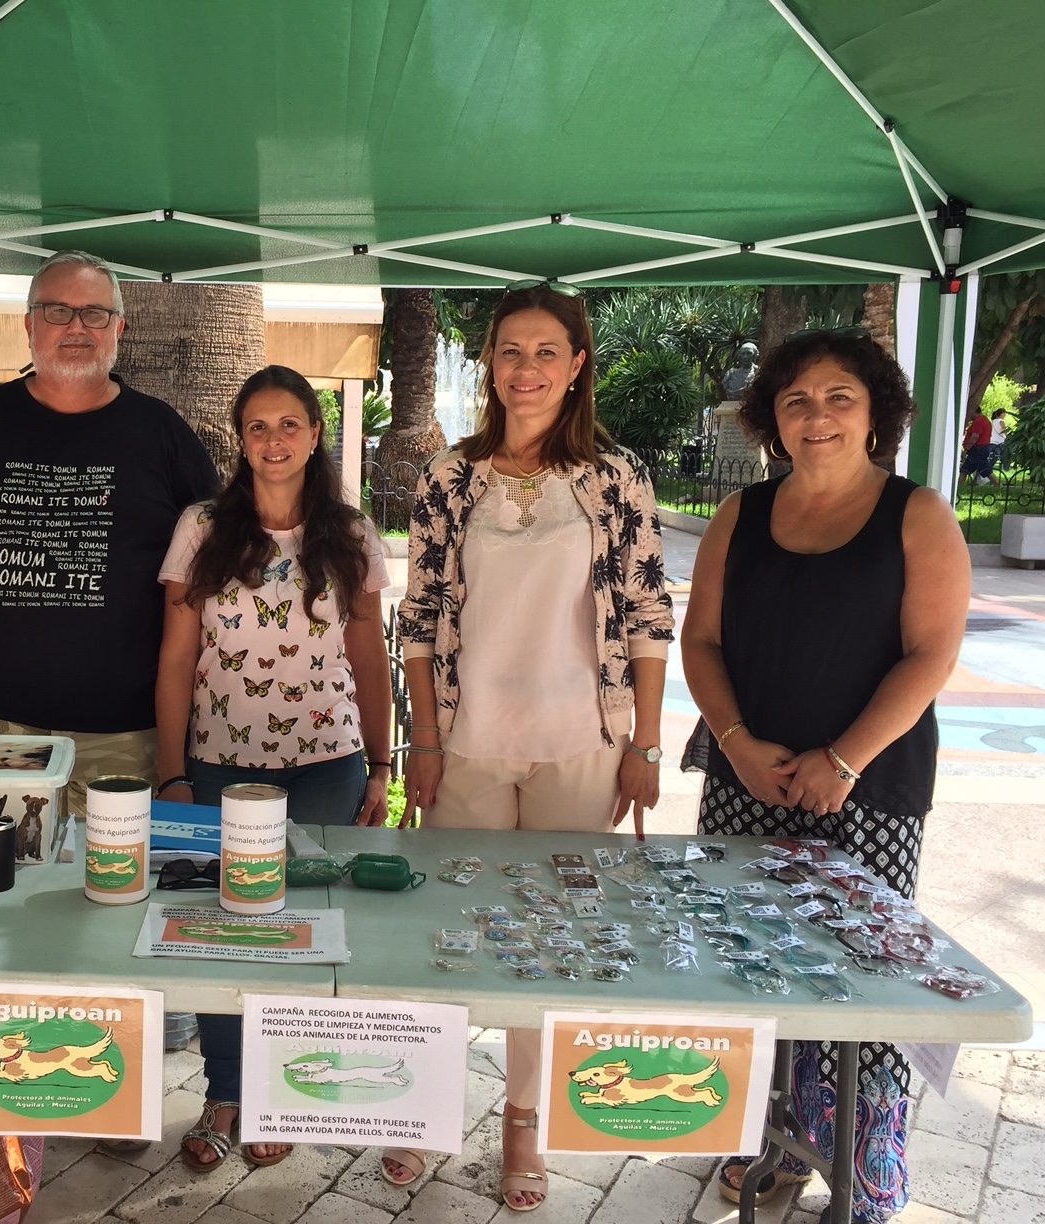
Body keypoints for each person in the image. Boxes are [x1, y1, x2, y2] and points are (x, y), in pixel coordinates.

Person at [396, 283, 674, 1212]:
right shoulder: (450, 476)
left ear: (578, 364)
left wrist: (644, 746)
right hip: (467, 743)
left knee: (553, 940)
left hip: (580, 745)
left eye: (547, 350)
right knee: (448, 928)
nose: (527, 368)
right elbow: (419, 617)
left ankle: (523, 1121)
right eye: (510, 350)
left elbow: (648, 615)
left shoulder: (616, 477)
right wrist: (423, 738)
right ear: (490, 365)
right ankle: (423, 1108)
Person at [680, 329, 968, 1222]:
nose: (818, 416)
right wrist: (733, 741)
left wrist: (844, 759)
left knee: (858, 978)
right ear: (773, 419)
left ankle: (864, 1171)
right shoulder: (740, 515)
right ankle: (762, 1143)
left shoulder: (917, 515)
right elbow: (701, 641)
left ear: (876, 412)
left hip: (867, 789)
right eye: (797, 400)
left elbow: (931, 655)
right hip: (746, 782)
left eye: (840, 396)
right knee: (745, 967)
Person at [154, 365, 393, 1173]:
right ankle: (226, 1091)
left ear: (316, 434)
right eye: (258, 426)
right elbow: (176, 657)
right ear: (241, 438)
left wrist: (382, 765)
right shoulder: (202, 528)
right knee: (225, 931)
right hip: (221, 768)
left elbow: (369, 655)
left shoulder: (350, 534)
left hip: (329, 765)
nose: (274, 440)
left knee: (305, 931)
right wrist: (172, 774)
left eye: (290, 424)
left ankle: (279, 1089)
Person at [0, 250, 219, 807]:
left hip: (124, 729)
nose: (77, 327)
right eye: (57, 311)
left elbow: (212, 547)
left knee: (113, 863)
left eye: (94, 313)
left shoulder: (160, 432)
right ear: (29, 325)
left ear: (118, 328)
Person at [960, 406, 992, 482]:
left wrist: (966, 449)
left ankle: (998, 485)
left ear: (974, 411)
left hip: (978, 449)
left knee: (985, 470)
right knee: (965, 469)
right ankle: (959, 484)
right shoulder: (985, 420)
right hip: (982, 448)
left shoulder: (979, 421)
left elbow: (975, 436)